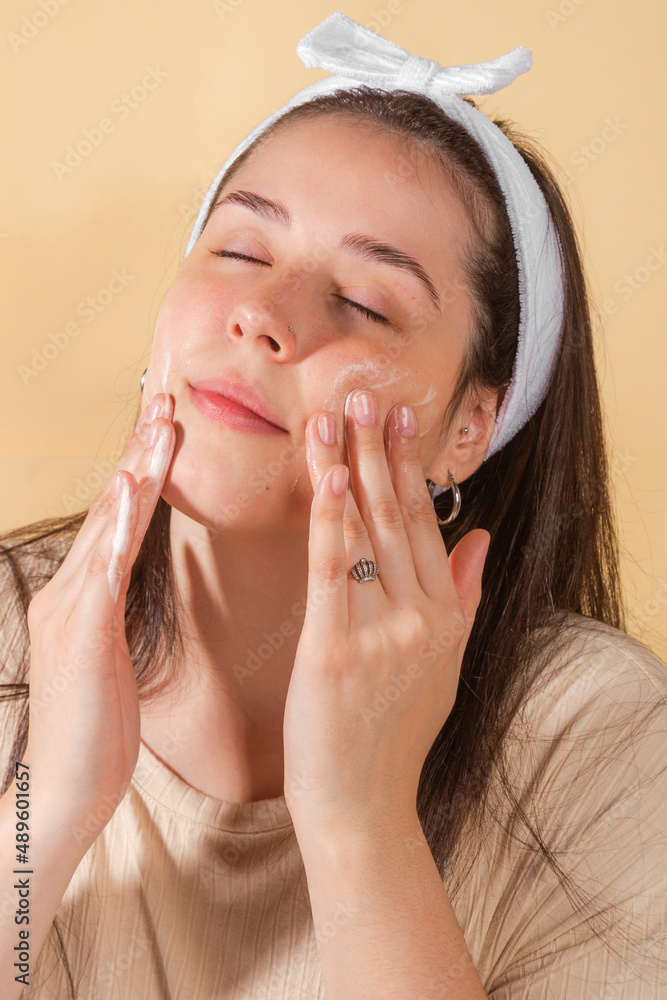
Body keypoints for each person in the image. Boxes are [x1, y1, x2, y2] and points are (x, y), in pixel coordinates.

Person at [1, 11, 666, 999]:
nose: (263, 316)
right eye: (238, 250)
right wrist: (41, 815)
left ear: (466, 427)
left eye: (363, 302)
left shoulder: (594, 734)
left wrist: (360, 821)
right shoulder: (15, 626)